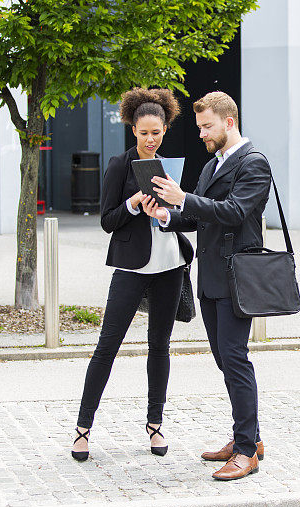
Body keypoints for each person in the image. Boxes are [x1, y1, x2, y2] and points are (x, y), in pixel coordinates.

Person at [144, 91, 270, 481]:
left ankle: (247, 451)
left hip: (238, 278)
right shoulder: (214, 164)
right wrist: (166, 214)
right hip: (212, 276)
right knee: (224, 359)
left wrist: (184, 198)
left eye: (206, 126)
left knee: (234, 358)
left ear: (228, 122)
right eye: (199, 127)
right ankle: (248, 437)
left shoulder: (254, 164)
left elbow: (233, 212)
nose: (201, 134)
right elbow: (198, 217)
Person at [71, 88, 194, 461]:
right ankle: (82, 429)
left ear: (165, 129)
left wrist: (171, 209)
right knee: (107, 346)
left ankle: (155, 424)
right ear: (133, 130)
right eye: (143, 133)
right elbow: (107, 221)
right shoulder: (118, 165)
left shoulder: (172, 168)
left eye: (156, 132)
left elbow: (189, 216)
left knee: (160, 346)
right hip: (131, 266)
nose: (150, 139)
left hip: (170, 265)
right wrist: (133, 204)